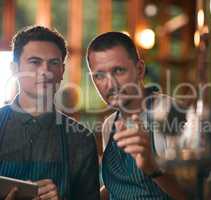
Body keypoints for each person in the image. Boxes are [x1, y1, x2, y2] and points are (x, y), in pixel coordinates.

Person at [0, 26, 100, 200]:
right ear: (14, 69)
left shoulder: (81, 139)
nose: (45, 71)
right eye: (34, 62)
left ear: (61, 71)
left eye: (53, 63)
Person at [86, 32, 187, 200]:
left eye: (118, 71)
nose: (110, 84)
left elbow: (195, 194)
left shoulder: (172, 114)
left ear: (140, 70)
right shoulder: (109, 125)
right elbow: (117, 188)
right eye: (99, 75)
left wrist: (152, 167)